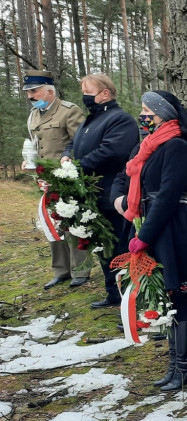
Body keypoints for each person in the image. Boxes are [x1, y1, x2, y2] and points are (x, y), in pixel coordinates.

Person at [111, 91, 187, 390]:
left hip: (169, 228)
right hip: (146, 222)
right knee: (164, 297)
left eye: (147, 110)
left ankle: (185, 366)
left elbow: (169, 196)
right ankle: (175, 364)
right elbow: (123, 177)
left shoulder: (178, 146)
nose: (143, 116)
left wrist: (144, 237)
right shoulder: (146, 146)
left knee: (176, 295)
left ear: (162, 114)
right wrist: (120, 200)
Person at [72, 73, 139, 309]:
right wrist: (64, 158)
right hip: (93, 195)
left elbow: (112, 151)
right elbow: (73, 144)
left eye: (88, 92)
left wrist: (78, 166)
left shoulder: (120, 120)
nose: (84, 96)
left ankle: (129, 299)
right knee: (103, 247)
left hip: (113, 194)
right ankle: (113, 293)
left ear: (105, 93)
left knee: (120, 248)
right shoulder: (91, 119)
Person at [21, 69, 88, 289]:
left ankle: (81, 270)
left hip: (66, 178)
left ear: (50, 91)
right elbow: (36, 145)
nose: (30, 96)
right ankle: (62, 270)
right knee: (51, 224)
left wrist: (69, 169)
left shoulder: (69, 111)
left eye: (34, 91)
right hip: (44, 179)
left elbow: (80, 144)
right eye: (28, 92)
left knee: (73, 224)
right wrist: (29, 161)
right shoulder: (33, 114)